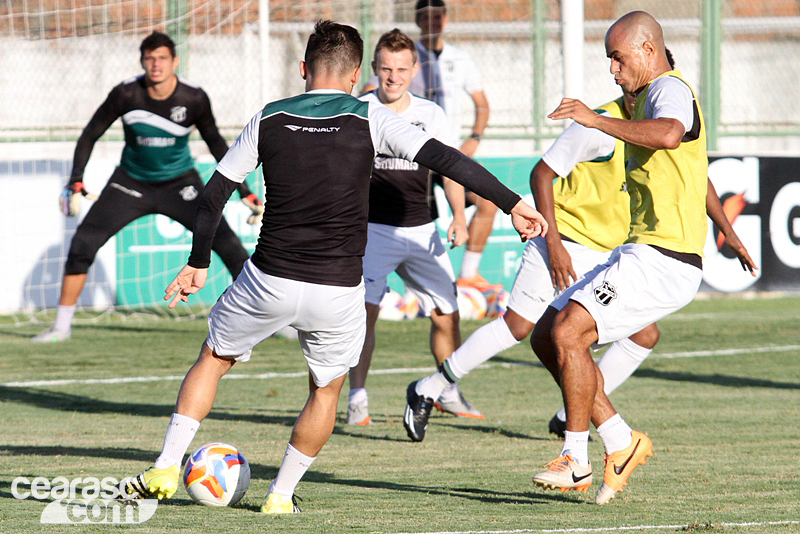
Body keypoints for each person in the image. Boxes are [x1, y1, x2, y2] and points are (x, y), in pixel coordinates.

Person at [120, 20, 547, 514]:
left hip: (268, 278)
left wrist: (198, 262)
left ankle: (165, 465)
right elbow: (449, 160)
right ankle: (280, 496)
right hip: (338, 289)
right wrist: (513, 203)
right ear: (356, 76)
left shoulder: (270, 116)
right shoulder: (372, 117)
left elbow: (213, 195)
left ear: (304, 68)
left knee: (213, 358)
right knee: (325, 391)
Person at [402, 86, 756, 442]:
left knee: (644, 334)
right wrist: (555, 245)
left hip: (609, 251)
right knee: (519, 327)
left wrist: (727, 231)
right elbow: (541, 173)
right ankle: (429, 388)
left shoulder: (662, 126)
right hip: (565, 240)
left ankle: (570, 416)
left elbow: (697, 177)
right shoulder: (598, 124)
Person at [528, 11, 713, 505]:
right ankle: (619, 439)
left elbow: (671, 133)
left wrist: (595, 119)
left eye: (618, 57)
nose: (612, 68)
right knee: (547, 335)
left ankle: (575, 458)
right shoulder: (643, 103)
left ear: (648, 50)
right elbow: (692, 166)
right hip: (641, 252)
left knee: (570, 333)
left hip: (665, 259)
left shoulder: (668, 88)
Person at [31, 31, 262, 343]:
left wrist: (244, 190)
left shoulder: (194, 98)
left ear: (174, 62)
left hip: (181, 184)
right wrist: (76, 179)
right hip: (130, 183)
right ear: (142, 62)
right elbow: (89, 134)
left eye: (162, 58)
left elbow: (216, 143)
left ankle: (265, 320)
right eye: (150, 58)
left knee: (229, 245)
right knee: (82, 245)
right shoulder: (126, 94)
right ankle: (61, 327)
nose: (156, 65)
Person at [346, 29, 480, 427]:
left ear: (414, 70)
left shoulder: (431, 114)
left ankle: (446, 390)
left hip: (423, 230)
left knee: (447, 315)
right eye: (386, 69)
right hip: (373, 232)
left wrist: (459, 217)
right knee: (364, 315)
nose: (393, 77)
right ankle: (357, 398)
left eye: (402, 69)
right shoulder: (359, 109)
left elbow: (450, 169)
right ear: (374, 68)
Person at [363, 0, 499, 293]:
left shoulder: (459, 59)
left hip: (445, 152)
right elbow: (371, 89)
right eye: (426, 18)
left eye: (437, 18)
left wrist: (474, 138)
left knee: (487, 201)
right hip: (406, 157)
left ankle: (468, 274)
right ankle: (408, 288)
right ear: (418, 21)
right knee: (413, 213)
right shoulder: (401, 57)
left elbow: (482, 103)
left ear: (446, 20)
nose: (432, 23)